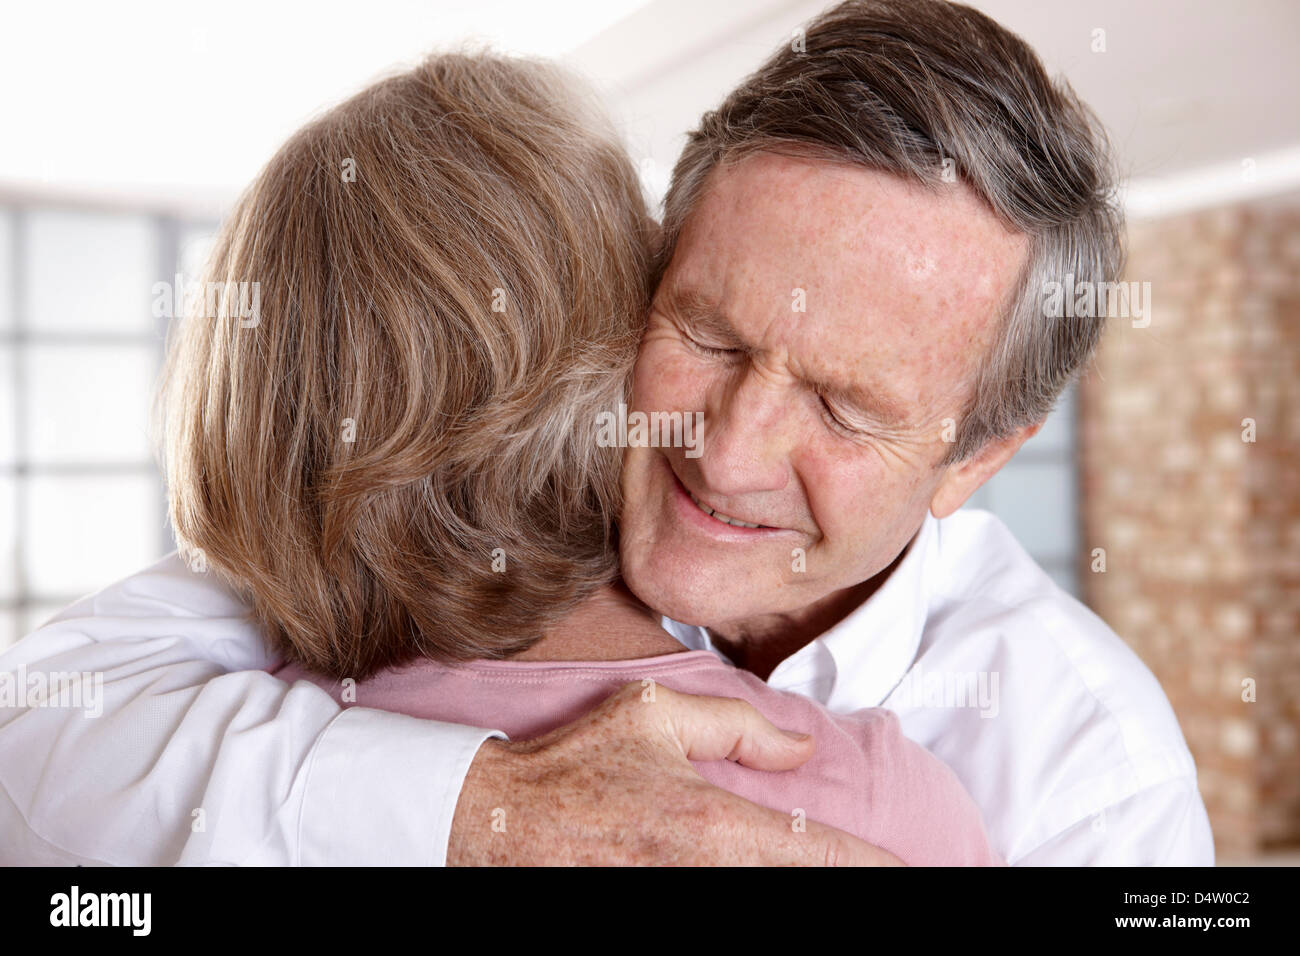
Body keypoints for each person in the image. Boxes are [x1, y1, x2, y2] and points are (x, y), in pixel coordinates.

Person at [0, 0, 1212, 866]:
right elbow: (34, 734)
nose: (725, 453)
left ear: (981, 455)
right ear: (636, 277)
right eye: (709, 335)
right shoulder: (410, 541)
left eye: (847, 408)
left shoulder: (1089, 773)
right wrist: (479, 812)